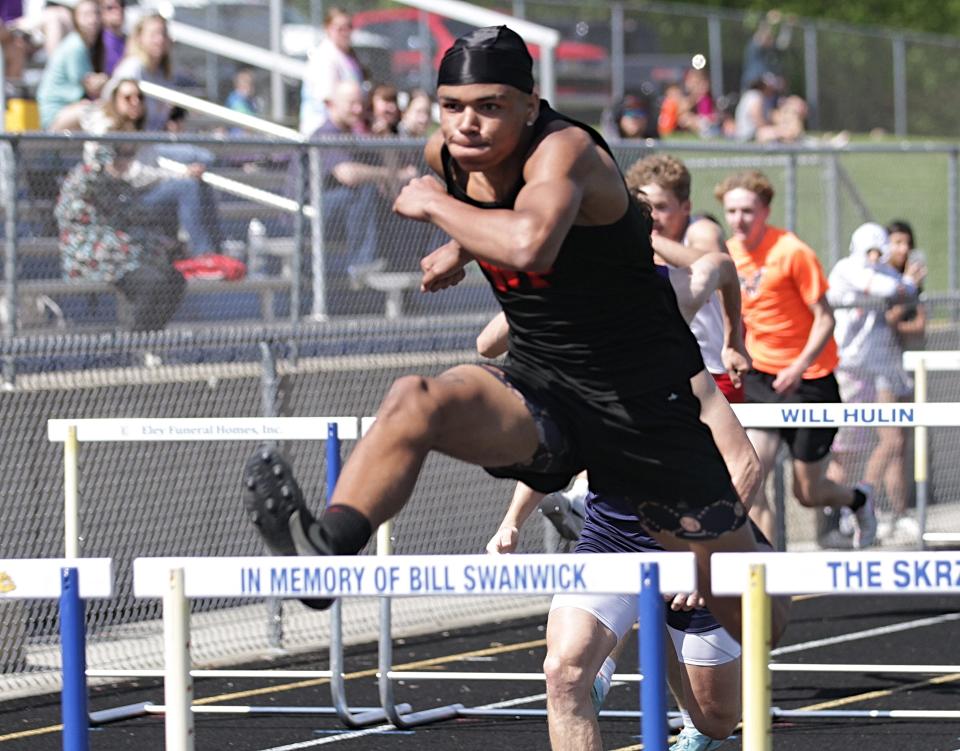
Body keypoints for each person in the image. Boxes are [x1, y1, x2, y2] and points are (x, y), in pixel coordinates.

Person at [244, 26, 784, 676]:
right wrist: (462, 247)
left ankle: (741, 548)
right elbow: (496, 205)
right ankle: (325, 551)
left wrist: (439, 211)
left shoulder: (568, 151)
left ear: (530, 105)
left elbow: (532, 241)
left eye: (490, 106)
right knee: (417, 399)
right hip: (544, 389)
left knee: (758, 626)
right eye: (452, 106)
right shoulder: (446, 152)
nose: (466, 125)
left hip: (643, 407)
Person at [715, 170, 877, 549]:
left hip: (810, 380)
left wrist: (798, 366)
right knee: (752, 474)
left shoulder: (792, 252)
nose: (739, 220)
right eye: (732, 211)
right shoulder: (728, 252)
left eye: (748, 211)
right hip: (761, 377)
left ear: (765, 210)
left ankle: (858, 501)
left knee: (808, 492)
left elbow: (825, 318)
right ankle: (766, 582)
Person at [56, 80, 186, 331]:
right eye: (121, 154)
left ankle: (147, 342)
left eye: (129, 154)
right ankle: (133, 345)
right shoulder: (88, 177)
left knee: (174, 279)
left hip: (124, 250)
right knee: (153, 283)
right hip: (95, 254)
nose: (126, 160)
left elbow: (131, 212)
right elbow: (79, 220)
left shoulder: (123, 183)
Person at [826, 223, 924, 543]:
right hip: (847, 368)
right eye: (870, 250)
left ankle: (860, 503)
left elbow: (904, 289)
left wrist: (906, 282)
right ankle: (837, 517)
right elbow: (887, 288)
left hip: (871, 370)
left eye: (877, 251)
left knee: (879, 442)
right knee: (846, 449)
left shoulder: (880, 270)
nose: (874, 257)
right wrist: (905, 283)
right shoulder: (847, 269)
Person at [625, 153, 748, 403]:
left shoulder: (700, 229)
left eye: (661, 207)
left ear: (686, 207)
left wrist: (647, 238)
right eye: (646, 208)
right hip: (660, 372)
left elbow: (709, 262)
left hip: (713, 372)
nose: (653, 215)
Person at [295, 79, 416, 278]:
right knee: (363, 189)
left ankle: (402, 265)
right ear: (331, 104)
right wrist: (398, 174)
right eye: (351, 103)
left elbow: (392, 184)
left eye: (360, 103)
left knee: (388, 200)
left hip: (340, 209)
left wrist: (385, 139)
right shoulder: (326, 133)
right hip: (306, 212)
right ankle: (361, 263)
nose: (358, 109)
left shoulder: (353, 135)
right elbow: (349, 175)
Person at [36, 0, 106, 130]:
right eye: (86, 15)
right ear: (75, 19)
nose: (92, 20)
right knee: (94, 111)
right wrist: (105, 80)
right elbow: (90, 86)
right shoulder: (76, 45)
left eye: (96, 13)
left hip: (71, 108)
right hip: (55, 115)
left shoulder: (91, 46)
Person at [299, 6, 364, 137]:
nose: (345, 32)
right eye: (340, 28)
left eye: (349, 27)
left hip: (344, 130)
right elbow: (328, 99)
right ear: (328, 29)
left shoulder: (346, 56)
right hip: (324, 132)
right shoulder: (325, 56)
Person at [103, 12, 174, 131]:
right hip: (130, 142)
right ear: (139, 37)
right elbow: (110, 104)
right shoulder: (131, 69)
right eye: (153, 34)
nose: (160, 39)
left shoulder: (163, 73)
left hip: (153, 140)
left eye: (163, 33)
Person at [99, 0, 124, 75]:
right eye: (110, 7)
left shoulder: (131, 40)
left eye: (121, 5)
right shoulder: (97, 41)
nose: (118, 10)